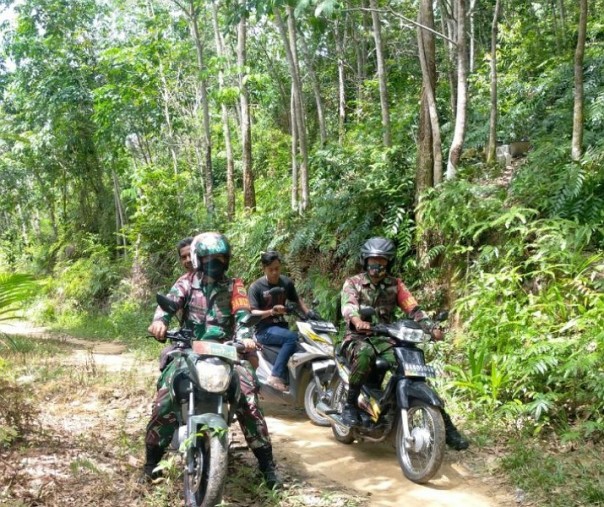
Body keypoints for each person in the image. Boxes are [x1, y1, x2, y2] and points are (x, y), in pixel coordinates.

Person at [143, 232, 281, 488]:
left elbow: (243, 315)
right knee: (165, 397)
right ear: (197, 259)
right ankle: (151, 464)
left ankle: (268, 467)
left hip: (226, 350)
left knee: (249, 397)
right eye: (208, 258)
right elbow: (169, 304)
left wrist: (245, 337)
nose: (213, 263)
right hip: (188, 349)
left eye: (219, 258)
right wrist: (159, 322)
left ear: (226, 260)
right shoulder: (186, 282)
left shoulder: (235, 285)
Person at [340, 236, 469, 451]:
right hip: (359, 337)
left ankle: (446, 427)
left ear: (388, 263)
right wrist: (357, 321)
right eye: (373, 261)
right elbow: (349, 306)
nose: (376, 266)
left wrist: (431, 328)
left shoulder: (395, 284)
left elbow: (413, 307)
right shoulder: (353, 283)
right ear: (365, 260)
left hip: (386, 338)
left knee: (412, 367)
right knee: (364, 356)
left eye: (382, 262)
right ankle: (349, 405)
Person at [248, 250, 314, 392]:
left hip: (280, 327)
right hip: (263, 330)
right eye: (271, 269)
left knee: (304, 341)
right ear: (264, 268)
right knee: (292, 337)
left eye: (277, 269)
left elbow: (297, 300)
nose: (274, 273)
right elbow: (253, 313)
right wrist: (271, 311)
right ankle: (275, 376)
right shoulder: (256, 287)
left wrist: (309, 313)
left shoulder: (286, 282)